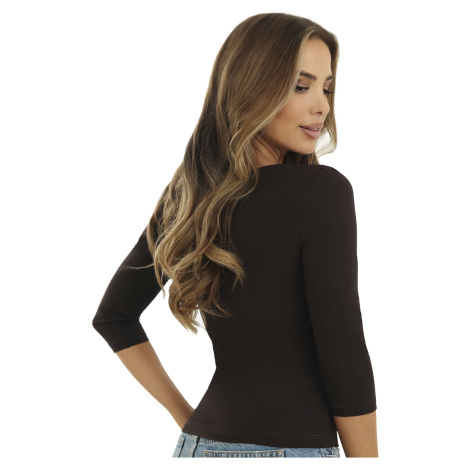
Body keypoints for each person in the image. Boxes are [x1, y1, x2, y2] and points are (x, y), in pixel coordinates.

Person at [92, 12, 378, 458]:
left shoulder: (192, 196)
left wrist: (187, 418)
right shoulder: (322, 191)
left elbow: (113, 316)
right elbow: (343, 349)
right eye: (300, 86)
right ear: (252, 88)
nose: (321, 106)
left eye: (326, 87)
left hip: (199, 446)